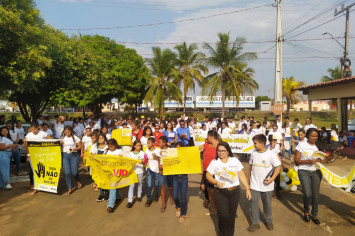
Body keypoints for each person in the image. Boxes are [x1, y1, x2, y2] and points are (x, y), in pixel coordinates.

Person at [206, 142, 251, 236]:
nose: (221, 152)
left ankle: (230, 234)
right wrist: (216, 182)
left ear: (228, 151)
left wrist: (247, 188)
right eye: (219, 151)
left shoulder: (234, 160)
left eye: (223, 151)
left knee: (231, 216)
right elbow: (208, 175)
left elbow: (241, 174)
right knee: (223, 215)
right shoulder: (214, 162)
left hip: (234, 191)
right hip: (220, 192)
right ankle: (222, 234)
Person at [247, 134, 282, 232]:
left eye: (255, 143)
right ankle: (255, 223)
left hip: (267, 185)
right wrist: (248, 182)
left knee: (267, 204)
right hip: (254, 185)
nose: (254, 145)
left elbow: (278, 167)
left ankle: (268, 220)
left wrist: (272, 179)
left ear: (262, 143)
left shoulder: (271, 154)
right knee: (253, 203)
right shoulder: (253, 153)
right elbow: (250, 168)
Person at [295, 128, 326, 225]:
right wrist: (308, 161)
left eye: (316, 136)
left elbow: (324, 159)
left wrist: (321, 160)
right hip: (304, 171)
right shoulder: (302, 145)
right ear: (307, 135)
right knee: (308, 194)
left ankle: (314, 214)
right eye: (312, 136)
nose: (314, 138)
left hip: (316, 172)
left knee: (315, 195)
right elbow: (296, 160)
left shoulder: (319, 145)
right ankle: (306, 212)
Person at [23, 124, 51, 195]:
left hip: (42, 154)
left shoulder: (43, 133)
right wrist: (27, 156)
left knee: (43, 169)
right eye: (32, 129)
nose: (33, 131)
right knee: (33, 170)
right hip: (32, 155)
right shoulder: (29, 135)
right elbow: (25, 146)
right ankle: (35, 186)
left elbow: (50, 139)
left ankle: (44, 184)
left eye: (35, 129)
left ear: (37, 128)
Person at [199, 130, 220, 215]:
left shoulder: (220, 146)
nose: (207, 138)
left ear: (211, 137)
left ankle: (214, 208)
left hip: (215, 172)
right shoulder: (207, 144)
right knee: (206, 188)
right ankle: (213, 206)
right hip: (206, 171)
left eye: (207, 136)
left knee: (213, 190)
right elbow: (200, 149)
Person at [60, 126, 82, 196]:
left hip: (74, 155)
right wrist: (59, 143)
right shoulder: (62, 138)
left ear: (71, 131)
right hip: (65, 156)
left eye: (68, 132)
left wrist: (74, 149)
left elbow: (80, 146)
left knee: (74, 172)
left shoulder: (75, 137)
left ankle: (78, 180)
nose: (66, 133)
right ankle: (69, 188)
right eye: (65, 132)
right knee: (67, 172)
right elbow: (58, 146)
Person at [172, 141, 189, 223]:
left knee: (183, 197)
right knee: (175, 196)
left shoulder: (186, 156)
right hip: (175, 177)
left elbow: (191, 163)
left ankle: (183, 213)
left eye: (180, 148)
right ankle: (178, 206)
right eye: (177, 148)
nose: (178, 150)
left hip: (184, 178)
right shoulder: (172, 156)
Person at [105, 139, 123, 213]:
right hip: (109, 172)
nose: (110, 148)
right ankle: (118, 197)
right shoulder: (106, 151)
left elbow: (124, 159)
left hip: (116, 172)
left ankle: (110, 205)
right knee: (113, 186)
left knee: (112, 187)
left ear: (115, 145)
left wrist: (121, 156)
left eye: (111, 146)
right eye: (109, 146)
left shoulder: (119, 151)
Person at [127, 140, 145, 208]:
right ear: (134, 146)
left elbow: (144, 161)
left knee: (140, 183)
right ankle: (130, 201)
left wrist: (142, 162)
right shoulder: (131, 154)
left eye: (140, 145)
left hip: (140, 171)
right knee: (131, 185)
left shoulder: (142, 153)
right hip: (132, 172)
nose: (138, 147)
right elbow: (128, 162)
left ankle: (139, 195)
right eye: (137, 145)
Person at [145, 137, 160, 207]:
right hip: (149, 169)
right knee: (149, 184)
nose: (147, 144)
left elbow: (160, 160)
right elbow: (145, 160)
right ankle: (148, 199)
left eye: (149, 143)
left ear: (153, 143)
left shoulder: (158, 150)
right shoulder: (146, 151)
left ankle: (156, 195)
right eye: (147, 143)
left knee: (156, 184)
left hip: (156, 169)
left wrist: (156, 157)